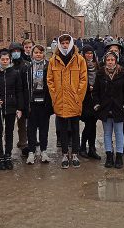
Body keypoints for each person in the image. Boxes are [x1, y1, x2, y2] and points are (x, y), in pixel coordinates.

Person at [47, 34, 87, 169]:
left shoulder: (79, 60)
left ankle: (74, 154)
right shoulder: (53, 60)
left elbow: (83, 79)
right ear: (59, 44)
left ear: (71, 44)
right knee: (62, 129)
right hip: (60, 100)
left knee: (75, 128)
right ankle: (65, 154)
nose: (65, 46)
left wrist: (78, 96)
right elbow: (50, 80)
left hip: (74, 100)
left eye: (67, 43)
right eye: (62, 43)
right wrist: (55, 96)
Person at [0, 49, 24, 170]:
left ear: (10, 60)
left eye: (7, 59)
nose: (5, 61)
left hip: (11, 108)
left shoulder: (15, 73)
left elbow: (19, 91)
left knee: (9, 132)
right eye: (3, 59)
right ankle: (1, 157)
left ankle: (8, 155)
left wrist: (19, 108)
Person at [93, 51, 124, 169]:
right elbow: (96, 91)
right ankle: (109, 155)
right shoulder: (100, 73)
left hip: (119, 107)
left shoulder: (122, 72)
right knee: (107, 133)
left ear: (116, 61)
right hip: (105, 107)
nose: (110, 62)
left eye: (112, 60)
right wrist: (97, 104)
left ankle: (119, 156)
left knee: (119, 132)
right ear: (105, 61)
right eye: (108, 60)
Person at [25, 44, 53, 164]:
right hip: (32, 102)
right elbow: (24, 86)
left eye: (40, 52)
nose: (38, 54)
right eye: (36, 52)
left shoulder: (49, 66)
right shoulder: (28, 67)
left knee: (44, 128)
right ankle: (31, 152)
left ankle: (43, 151)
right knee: (31, 129)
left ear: (44, 54)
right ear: (32, 54)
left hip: (44, 102)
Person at [8, 42, 31, 157]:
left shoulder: (26, 65)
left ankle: (23, 143)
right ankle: (7, 146)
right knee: (9, 123)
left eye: (18, 51)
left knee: (22, 122)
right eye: (14, 51)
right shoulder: (8, 64)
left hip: (23, 97)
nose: (16, 53)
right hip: (10, 97)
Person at [79, 44, 101, 160]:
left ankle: (92, 148)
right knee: (88, 124)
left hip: (95, 98)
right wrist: (88, 87)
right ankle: (83, 147)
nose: (89, 55)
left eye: (91, 53)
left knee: (93, 124)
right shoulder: (80, 65)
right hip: (85, 98)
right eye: (87, 53)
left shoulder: (97, 66)